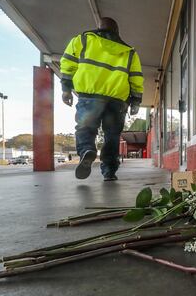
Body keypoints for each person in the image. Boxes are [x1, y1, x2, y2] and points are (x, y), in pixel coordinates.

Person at [60, 17, 143, 181]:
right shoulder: (129, 52)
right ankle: (109, 171)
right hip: (117, 100)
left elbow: (68, 64)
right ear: (117, 31)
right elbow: (136, 78)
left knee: (86, 127)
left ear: (98, 28)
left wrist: (66, 89)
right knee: (112, 136)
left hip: (90, 96)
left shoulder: (83, 40)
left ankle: (86, 150)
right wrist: (136, 101)